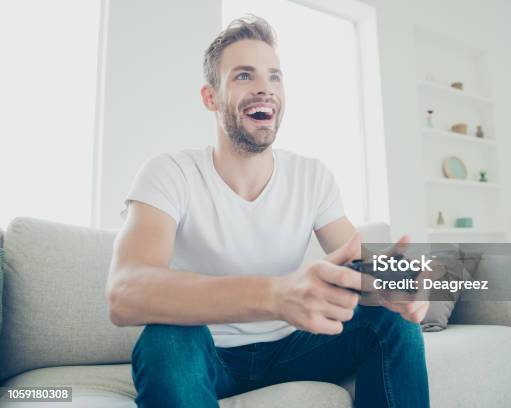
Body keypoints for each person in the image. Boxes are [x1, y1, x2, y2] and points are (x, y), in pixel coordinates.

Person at [105, 15, 430, 408]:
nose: (265, 88)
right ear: (211, 97)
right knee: (166, 338)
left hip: (294, 348)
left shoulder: (312, 176)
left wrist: (401, 284)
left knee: (389, 319)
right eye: (244, 76)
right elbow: (124, 293)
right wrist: (275, 294)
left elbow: (359, 261)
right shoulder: (170, 174)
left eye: (274, 77)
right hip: (207, 354)